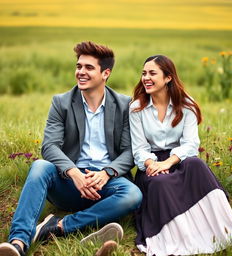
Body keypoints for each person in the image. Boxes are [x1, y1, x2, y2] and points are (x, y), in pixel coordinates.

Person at [0, 41, 142, 256]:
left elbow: (129, 151)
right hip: (68, 182)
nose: (81, 72)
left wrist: (107, 173)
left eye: (88, 67)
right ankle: (18, 242)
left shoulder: (124, 105)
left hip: (105, 184)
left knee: (132, 194)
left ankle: (60, 226)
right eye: (78, 66)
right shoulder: (61, 102)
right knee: (40, 166)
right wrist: (73, 172)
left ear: (106, 73)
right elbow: (49, 146)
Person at [129, 55, 232, 256]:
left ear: (168, 78)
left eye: (152, 73)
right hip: (150, 163)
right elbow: (139, 148)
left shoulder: (186, 104)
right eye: (144, 73)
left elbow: (190, 144)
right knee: (161, 183)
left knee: (197, 165)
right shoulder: (137, 108)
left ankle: (225, 230)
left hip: (180, 158)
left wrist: (169, 162)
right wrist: (152, 163)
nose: (146, 78)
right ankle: (180, 237)